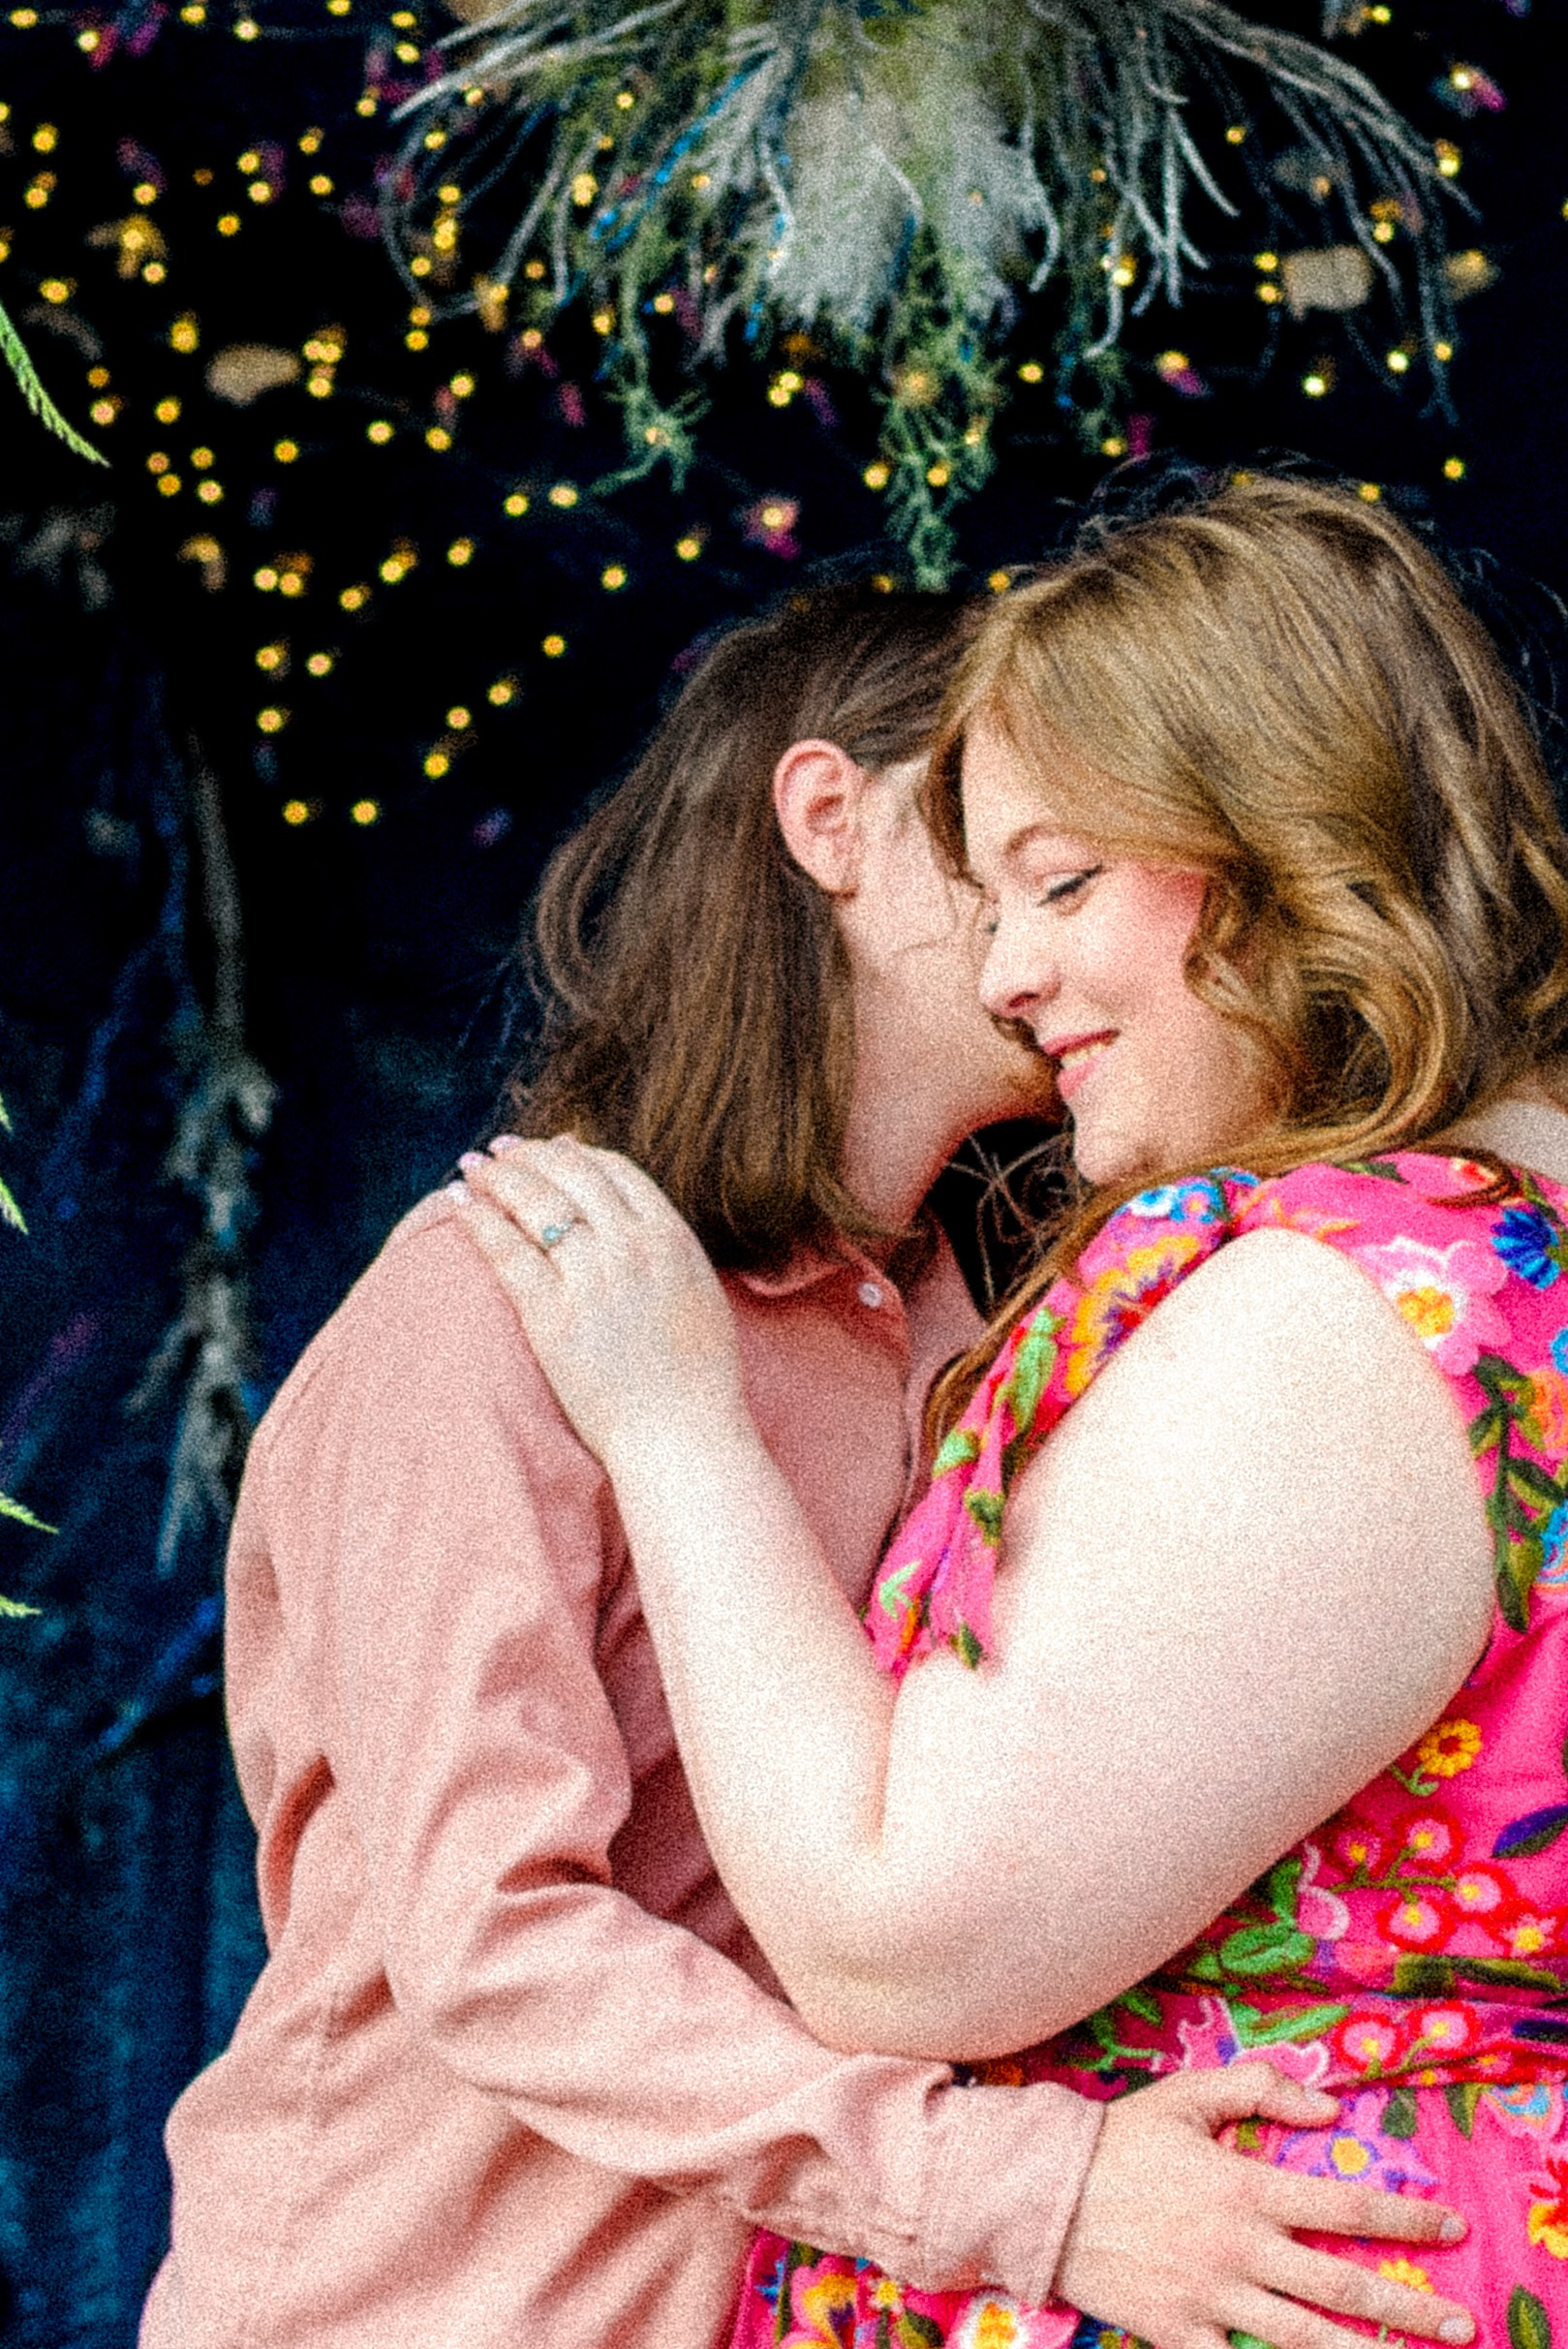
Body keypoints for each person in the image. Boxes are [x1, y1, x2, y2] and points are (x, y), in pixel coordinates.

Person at [138, 581, 1469, 2349]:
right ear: (830, 819)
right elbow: (496, 1942)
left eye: (1073, 871)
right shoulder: (501, 1298)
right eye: (1000, 856)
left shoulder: (983, 1335)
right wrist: (1029, 2193)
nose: (1033, 944)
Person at [455, 480, 1568, 2349]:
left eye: (1060, 882)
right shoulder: (1471, 1254)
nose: (1005, 972)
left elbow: (898, 1936)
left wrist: (673, 1422)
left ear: (1289, 842)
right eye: (987, 898)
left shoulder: (1360, 1309)